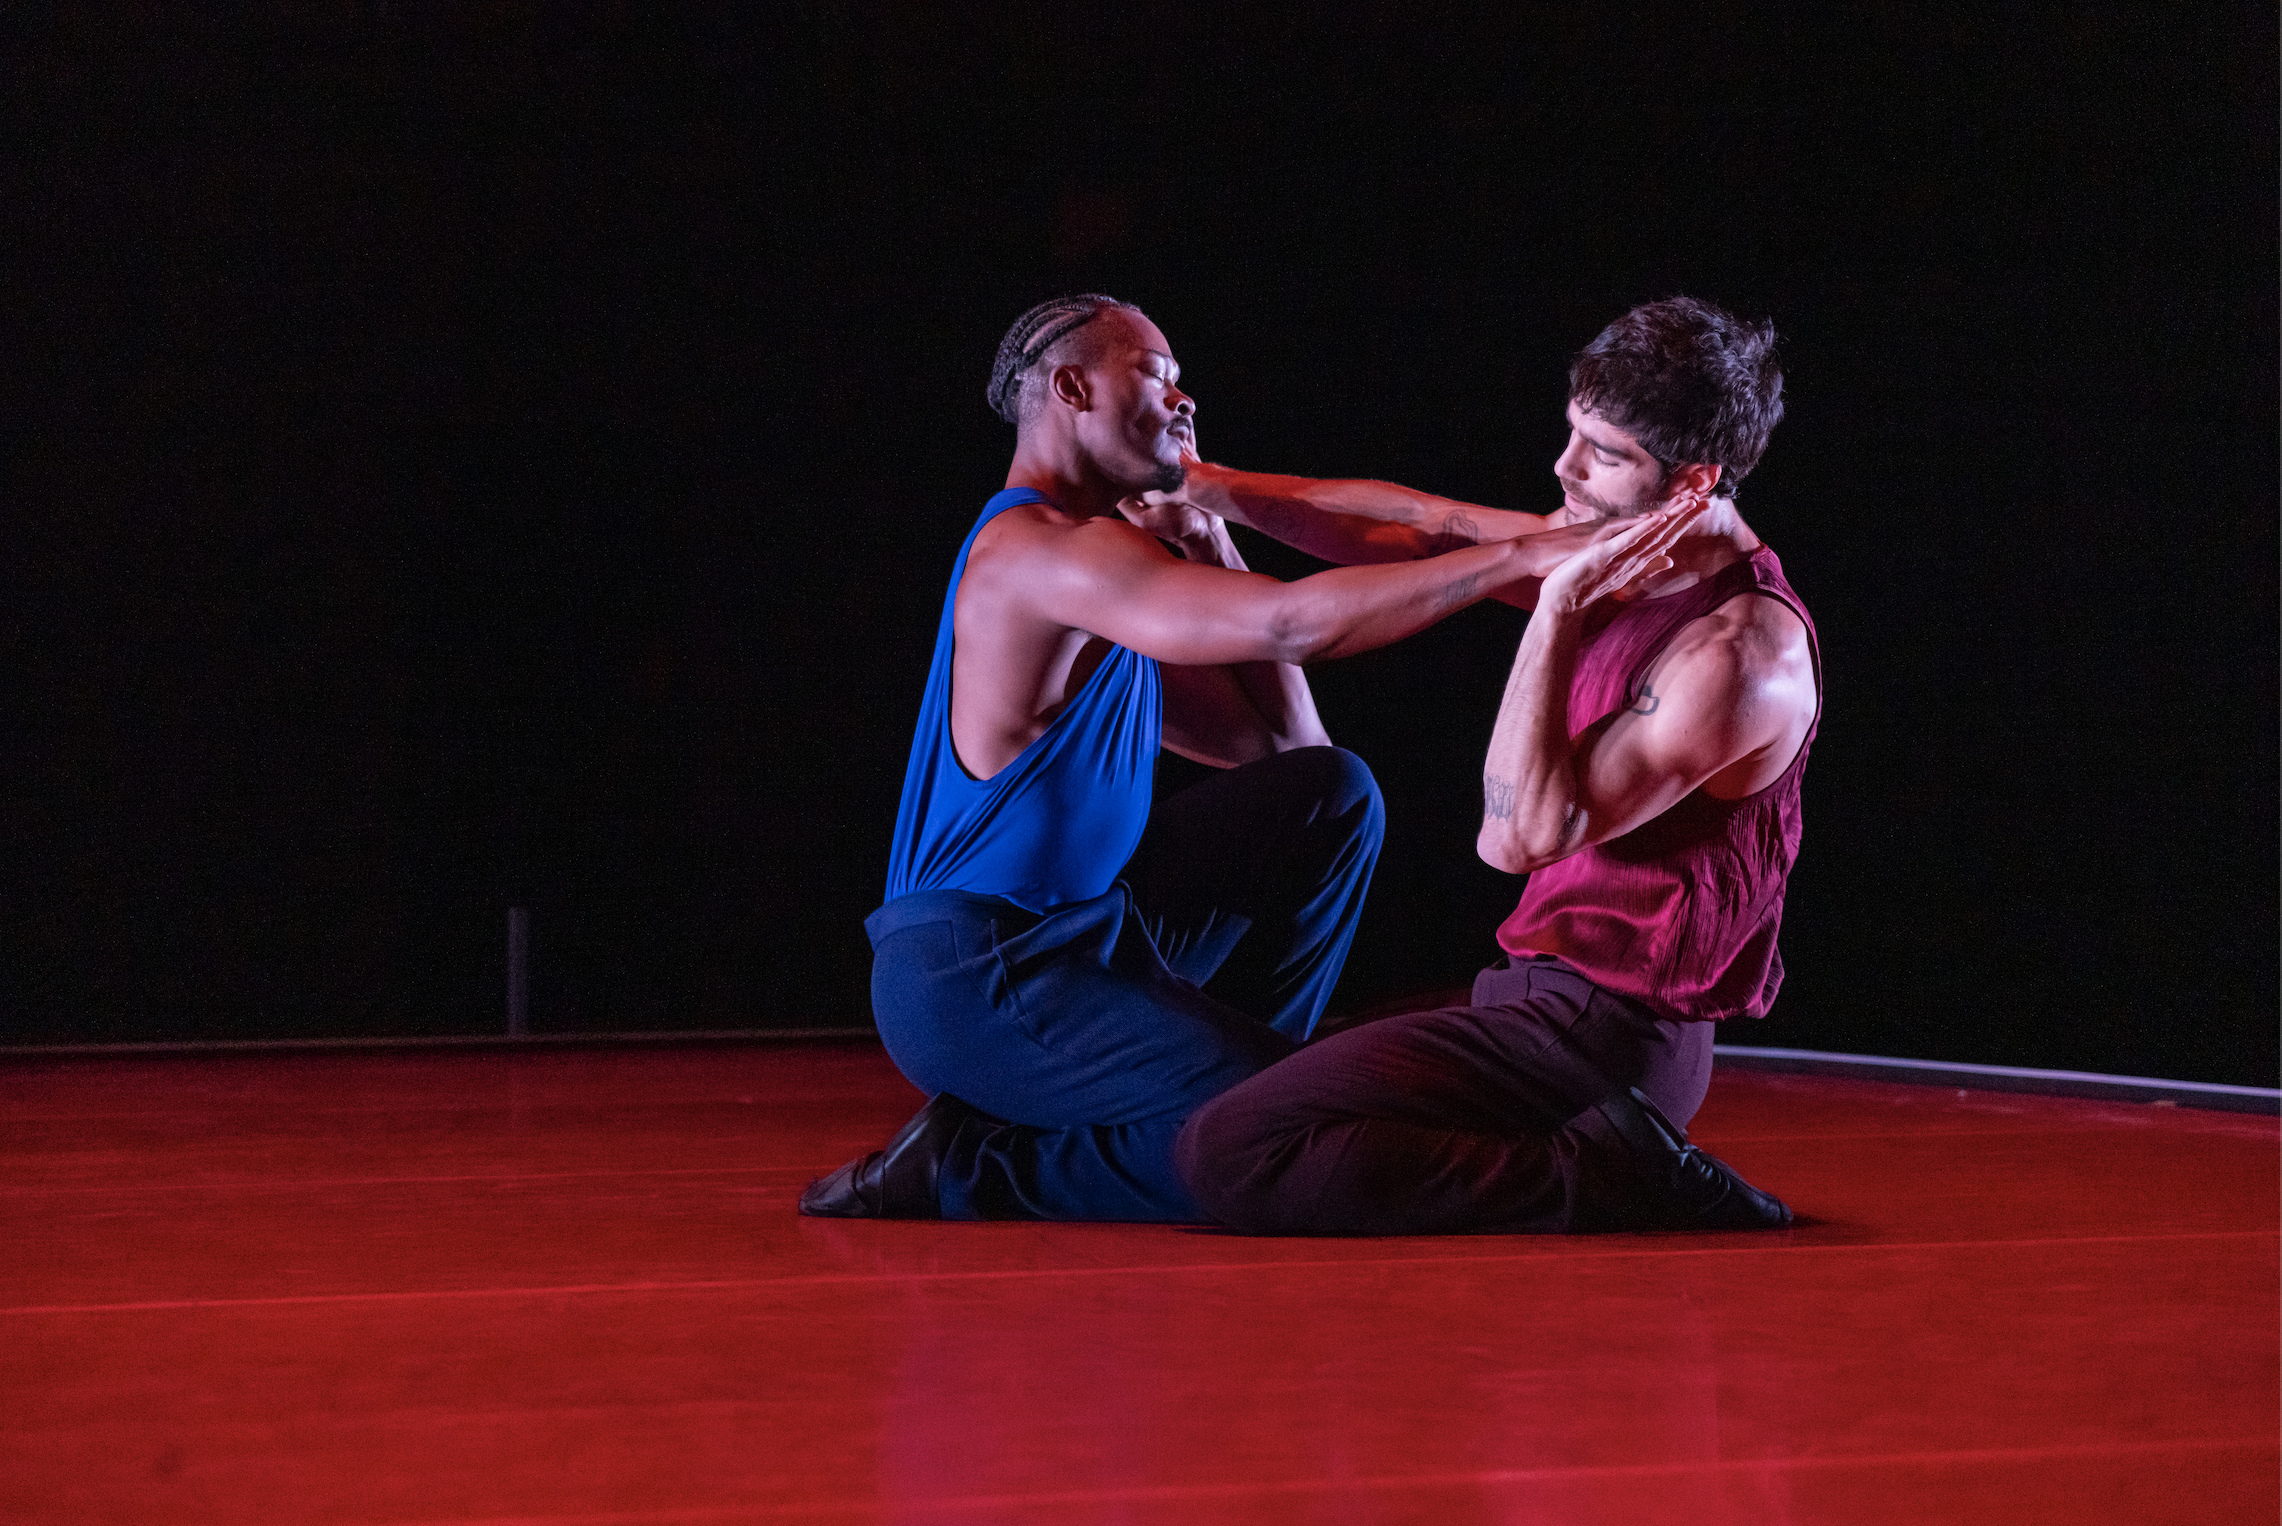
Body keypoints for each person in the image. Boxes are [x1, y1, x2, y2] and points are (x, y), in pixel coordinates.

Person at [800, 295, 1652, 1223]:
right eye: (1157, 373)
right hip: (982, 973)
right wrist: (1524, 559)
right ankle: (974, 1168)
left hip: (1088, 944)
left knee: (1334, 796)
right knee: (1301, 1140)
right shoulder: (1037, 552)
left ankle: (1258, 1100)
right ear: (1074, 387)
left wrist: (1211, 536)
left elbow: (1288, 753)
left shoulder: (1112, 579)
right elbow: (1293, 622)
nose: (1183, 398)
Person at [1168, 296, 1818, 1234]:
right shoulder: (1627, 551)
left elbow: (1515, 838)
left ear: (1696, 481)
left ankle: (1611, 1175)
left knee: (1227, 1152)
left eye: (1605, 453)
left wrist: (1554, 611)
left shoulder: (1737, 655)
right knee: (1223, 1086)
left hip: (1612, 1039)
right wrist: (1206, 486)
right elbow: (1423, 529)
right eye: (1572, 432)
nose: (1565, 467)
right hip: (1537, 997)